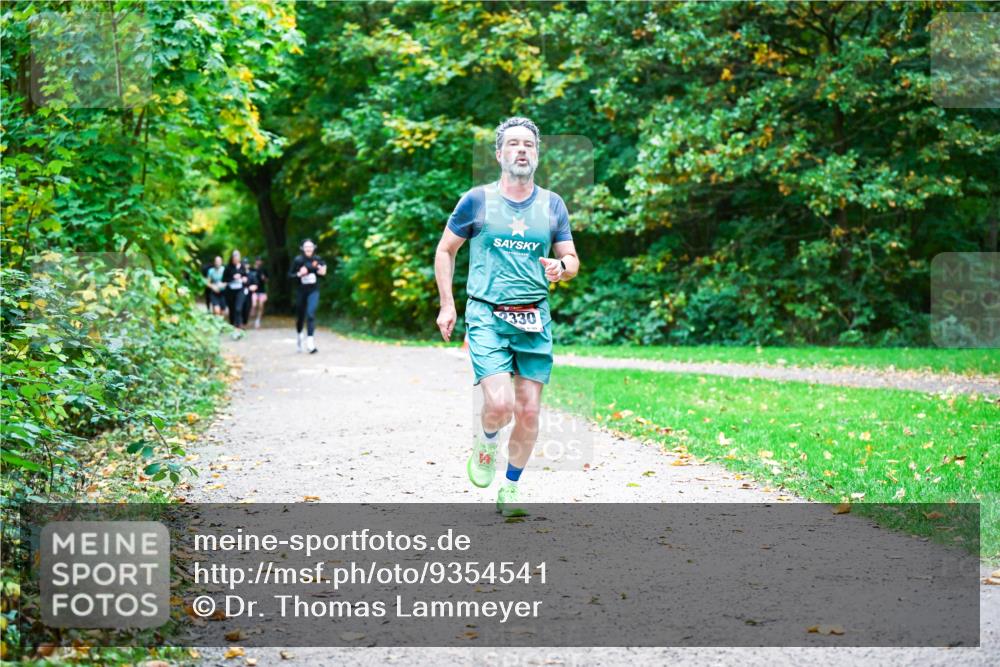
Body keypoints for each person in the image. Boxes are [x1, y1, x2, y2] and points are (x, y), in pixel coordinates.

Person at [434, 117, 579, 517]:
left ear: (536, 154)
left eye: (528, 145)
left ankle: (511, 488)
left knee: (529, 410)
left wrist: (561, 268)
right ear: (499, 154)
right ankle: (485, 442)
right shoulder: (477, 200)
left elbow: (571, 259)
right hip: (487, 315)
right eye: (513, 144)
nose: (521, 150)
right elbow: (446, 250)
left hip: (535, 317)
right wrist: (448, 305)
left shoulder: (552, 205)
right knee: (500, 405)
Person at [288, 239, 327, 353]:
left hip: (313, 291)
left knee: (310, 314)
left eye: (310, 247)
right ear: (302, 248)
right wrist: (299, 274)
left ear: (314, 248)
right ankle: (300, 336)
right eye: (306, 247)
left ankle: (310, 343)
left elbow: (323, 271)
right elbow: (290, 276)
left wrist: (321, 270)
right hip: (301, 292)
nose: (308, 249)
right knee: (300, 316)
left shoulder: (317, 259)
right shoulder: (298, 260)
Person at [222, 250, 248, 338]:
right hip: (231, 291)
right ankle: (233, 326)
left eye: (238, 257)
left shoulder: (242, 267)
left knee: (238, 308)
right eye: (235, 257)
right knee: (232, 309)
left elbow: (246, 277)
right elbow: (224, 280)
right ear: (232, 258)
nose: (237, 259)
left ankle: (239, 326)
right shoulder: (228, 268)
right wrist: (232, 278)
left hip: (241, 290)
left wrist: (244, 279)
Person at [247, 257, 269, 329]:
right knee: (254, 305)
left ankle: (258, 320)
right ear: (255, 261)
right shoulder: (252, 269)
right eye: (257, 260)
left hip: (262, 291)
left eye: (260, 261)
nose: (258, 262)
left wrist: (264, 278)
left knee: (261, 305)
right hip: (253, 291)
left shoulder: (264, 270)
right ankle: (250, 318)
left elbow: (267, 280)